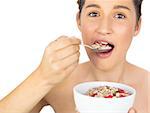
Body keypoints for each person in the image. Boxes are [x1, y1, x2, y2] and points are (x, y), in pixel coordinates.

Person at [0, 0, 149, 113]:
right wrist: (42, 77)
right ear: (79, 20)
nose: (104, 28)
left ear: (137, 26)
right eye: (94, 14)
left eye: (119, 16)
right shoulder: (57, 81)